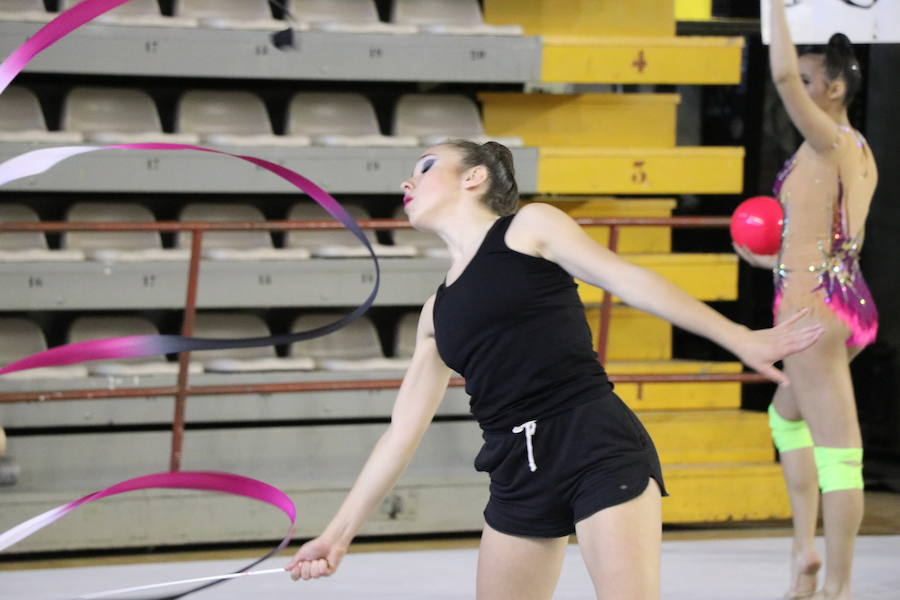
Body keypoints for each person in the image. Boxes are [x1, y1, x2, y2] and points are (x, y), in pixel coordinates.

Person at [288, 139, 824, 599]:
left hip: (594, 445)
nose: (409, 179)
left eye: (426, 165)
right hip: (516, 472)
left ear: (473, 177)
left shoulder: (529, 227)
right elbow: (401, 434)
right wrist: (337, 534)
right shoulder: (435, 313)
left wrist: (736, 337)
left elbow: (627, 279)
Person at [733, 3, 878, 600]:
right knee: (785, 417)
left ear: (836, 87)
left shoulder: (828, 138)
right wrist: (766, 260)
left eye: (813, 77)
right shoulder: (857, 149)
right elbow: (834, 237)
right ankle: (805, 552)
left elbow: (784, 77)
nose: (800, 83)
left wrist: (774, 10)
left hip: (814, 314)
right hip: (836, 298)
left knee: (840, 454)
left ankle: (837, 586)